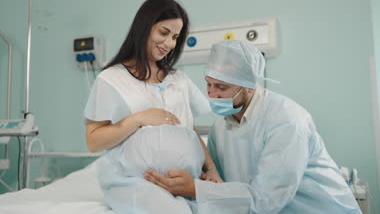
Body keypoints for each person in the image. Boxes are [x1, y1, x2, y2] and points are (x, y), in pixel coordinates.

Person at [144, 40, 361, 213]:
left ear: (249, 87)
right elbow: (225, 188)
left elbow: (267, 200)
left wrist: (195, 189)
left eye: (222, 87)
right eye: (208, 84)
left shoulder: (286, 120)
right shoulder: (221, 128)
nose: (212, 94)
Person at [84, 0, 220, 214]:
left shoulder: (179, 80)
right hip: (136, 182)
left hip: (185, 182)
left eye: (175, 37)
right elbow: (93, 141)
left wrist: (211, 168)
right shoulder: (111, 79)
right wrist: (138, 119)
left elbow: (190, 130)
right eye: (163, 33)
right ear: (144, 27)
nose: (169, 43)